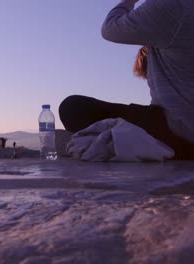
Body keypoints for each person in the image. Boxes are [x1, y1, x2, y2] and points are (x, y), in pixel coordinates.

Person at [59, 0, 194, 160]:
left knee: (73, 107)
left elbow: (110, 28)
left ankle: (159, 150)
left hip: (179, 130)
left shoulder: (173, 5)